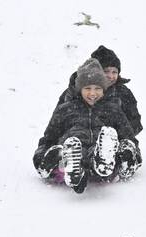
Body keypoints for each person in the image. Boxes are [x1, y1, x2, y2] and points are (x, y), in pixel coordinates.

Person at [34, 59, 138, 193]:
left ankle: (101, 162)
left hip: (99, 154)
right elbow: (48, 139)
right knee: (66, 152)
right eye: (87, 88)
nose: (93, 93)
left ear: (104, 89)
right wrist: (42, 158)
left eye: (98, 89)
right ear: (80, 89)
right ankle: (71, 169)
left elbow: (129, 137)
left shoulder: (113, 110)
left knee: (111, 150)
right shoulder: (65, 109)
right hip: (72, 151)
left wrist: (129, 152)